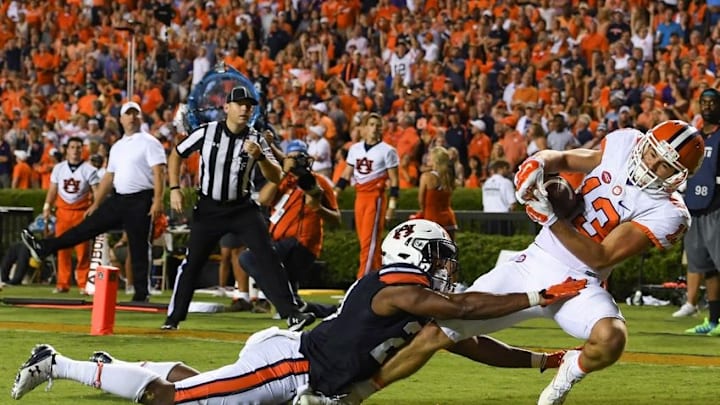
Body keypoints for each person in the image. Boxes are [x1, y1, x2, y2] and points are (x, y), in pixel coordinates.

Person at [11, 219, 587, 405]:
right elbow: (461, 307)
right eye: (439, 255)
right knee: (175, 399)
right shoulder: (394, 285)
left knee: (191, 385)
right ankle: (58, 361)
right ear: (417, 254)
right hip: (290, 368)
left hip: (298, 365)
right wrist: (536, 297)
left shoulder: (415, 298)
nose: (446, 266)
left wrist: (540, 361)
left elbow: (469, 338)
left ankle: (110, 364)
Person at [334, 120, 705, 405]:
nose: (651, 162)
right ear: (646, 141)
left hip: (580, 282)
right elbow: (561, 158)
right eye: (653, 151)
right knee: (438, 333)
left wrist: (550, 217)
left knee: (611, 339)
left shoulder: (670, 213)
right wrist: (535, 163)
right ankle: (358, 394)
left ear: (678, 177)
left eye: (663, 164)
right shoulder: (625, 144)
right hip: (532, 263)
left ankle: (567, 374)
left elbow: (600, 255)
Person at [164, 86, 314, 331]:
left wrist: (262, 158)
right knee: (193, 262)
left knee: (268, 257)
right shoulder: (207, 132)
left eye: (249, 105)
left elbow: (276, 176)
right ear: (227, 108)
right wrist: (174, 188)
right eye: (239, 104)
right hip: (209, 208)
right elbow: (176, 154)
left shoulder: (255, 138)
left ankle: (291, 314)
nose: (245, 109)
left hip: (242, 208)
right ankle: (173, 318)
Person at [21, 102, 167, 303]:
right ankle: (44, 247)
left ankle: (141, 293)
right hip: (119, 198)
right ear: (121, 119)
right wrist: (96, 204)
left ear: (140, 117)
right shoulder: (118, 146)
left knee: (139, 246)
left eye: (135, 114)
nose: (132, 118)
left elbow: (159, 172)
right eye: (128, 114)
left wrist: (157, 200)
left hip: (141, 198)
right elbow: (108, 177)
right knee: (85, 228)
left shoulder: (149, 142)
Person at [240, 140, 341, 317]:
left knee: (248, 258)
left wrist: (318, 209)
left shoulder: (319, 182)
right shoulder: (281, 179)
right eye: (292, 158)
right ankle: (333, 312)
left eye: (299, 158)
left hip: (302, 243)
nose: (296, 162)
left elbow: (336, 219)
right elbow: (263, 200)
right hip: (279, 241)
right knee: (294, 301)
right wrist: (284, 171)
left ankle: (284, 304)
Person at [334, 113, 400, 279]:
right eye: (370, 124)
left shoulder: (388, 151)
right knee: (367, 242)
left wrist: (391, 206)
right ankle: (378, 279)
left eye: (377, 125)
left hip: (375, 197)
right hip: (360, 196)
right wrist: (334, 195)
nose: (374, 128)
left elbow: (394, 181)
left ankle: (361, 280)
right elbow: (346, 175)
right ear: (363, 128)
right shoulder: (355, 149)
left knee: (368, 243)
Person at [681, 88, 720, 336]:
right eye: (703, 102)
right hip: (693, 207)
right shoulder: (693, 138)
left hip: (716, 207)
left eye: (712, 102)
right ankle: (714, 321)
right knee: (708, 269)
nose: (707, 106)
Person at [42, 136, 100, 294]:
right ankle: (62, 283)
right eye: (72, 147)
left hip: (81, 213)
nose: (75, 150)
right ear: (67, 150)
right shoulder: (59, 168)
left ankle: (83, 283)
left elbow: (97, 192)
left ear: (83, 150)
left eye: (78, 147)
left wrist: (95, 208)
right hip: (63, 213)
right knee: (62, 249)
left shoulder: (90, 170)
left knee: (83, 251)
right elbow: (53, 189)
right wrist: (47, 206)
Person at [416, 146, 458, 239]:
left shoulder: (426, 177)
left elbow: (421, 200)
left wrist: (424, 212)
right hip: (449, 220)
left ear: (436, 159)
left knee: (431, 252)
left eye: (430, 156)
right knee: (449, 251)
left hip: (432, 221)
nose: (427, 157)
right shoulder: (449, 177)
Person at [482, 159, 517, 235]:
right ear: (502, 168)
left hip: (487, 217)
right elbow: (512, 203)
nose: (509, 171)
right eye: (507, 169)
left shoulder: (486, 183)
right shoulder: (506, 182)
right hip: (503, 218)